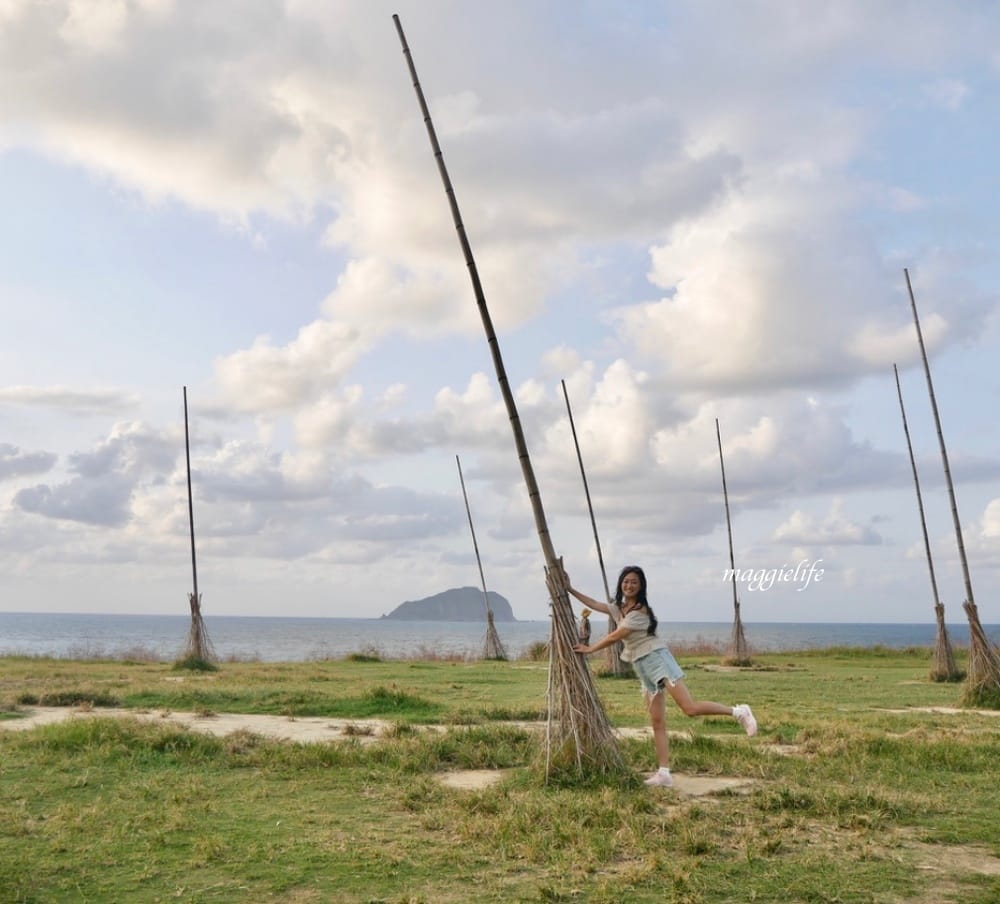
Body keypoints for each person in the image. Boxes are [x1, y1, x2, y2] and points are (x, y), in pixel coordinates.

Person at [566, 564, 757, 788]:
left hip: (658, 660)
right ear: (621, 584)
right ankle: (664, 773)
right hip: (643, 667)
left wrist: (590, 649)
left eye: (634, 582)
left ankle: (739, 712)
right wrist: (570, 589)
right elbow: (595, 604)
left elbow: (616, 636)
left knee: (690, 708)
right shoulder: (621, 608)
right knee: (657, 721)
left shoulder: (640, 611)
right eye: (626, 581)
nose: (629, 585)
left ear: (641, 587)